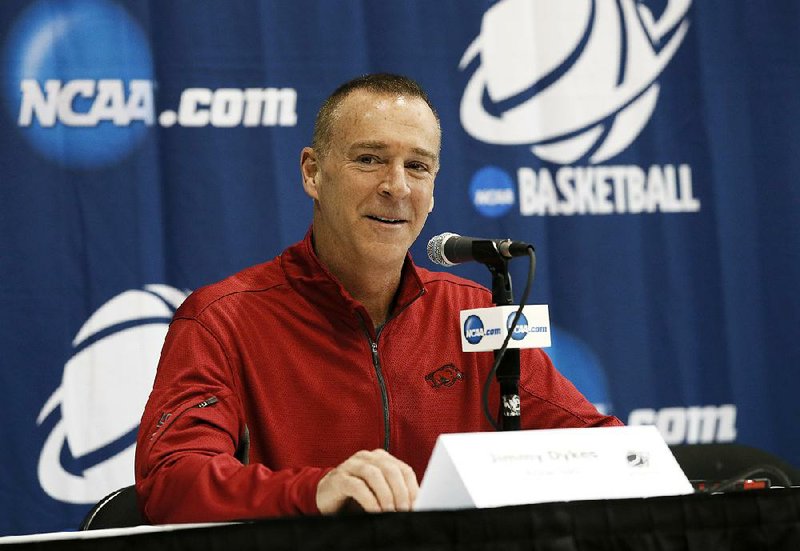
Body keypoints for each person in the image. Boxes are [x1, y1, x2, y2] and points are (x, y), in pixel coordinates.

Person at [135, 73, 622, 524]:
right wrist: (316, 491)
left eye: (417, 166)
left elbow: (601, 447)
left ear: (433, 189)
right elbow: (171, 481)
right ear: (312, 173)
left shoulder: (472, 313)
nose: (396, 186)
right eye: (368, 159)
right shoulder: (222, 319)